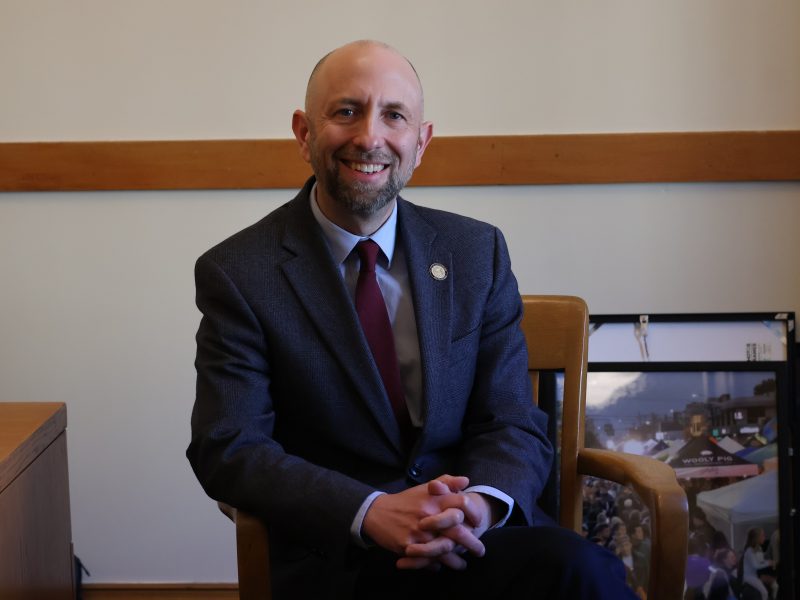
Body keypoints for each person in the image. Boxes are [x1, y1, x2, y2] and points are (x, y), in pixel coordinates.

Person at [187, 39, 636, 600]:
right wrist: (370, 512)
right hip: (345, 558)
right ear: (305, 133)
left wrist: (477, 507)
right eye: (346, 111)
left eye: (394, 115)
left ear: (420, 142)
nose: (370, 136)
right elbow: (228, 444)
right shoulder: (240, 273)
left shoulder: (477, 253)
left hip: (476, 540)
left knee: (587, 574)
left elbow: (510, 421)